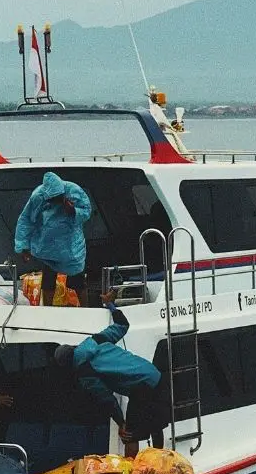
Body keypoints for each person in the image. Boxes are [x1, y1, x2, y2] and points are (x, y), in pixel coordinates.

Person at [54, 303, 170, 453]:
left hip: (140, 386)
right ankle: (160, 463)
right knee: (156, 425)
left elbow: (106, 399)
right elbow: (122, 324)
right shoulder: (96, 340)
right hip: (155, 374)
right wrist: (111, 305)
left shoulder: (83, 370)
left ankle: (130, 473)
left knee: (130, 435)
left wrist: (121, 423)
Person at [13, 171, 92, 304]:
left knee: (78, 280)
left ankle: (88, 309)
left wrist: (73, 211)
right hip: (47, 244)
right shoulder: (38, 196)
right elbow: (26, 220)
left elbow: (87, 211)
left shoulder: (74, 191)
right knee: (48, 280)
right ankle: (48, 310)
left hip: (70, 244)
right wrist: (23, 246)